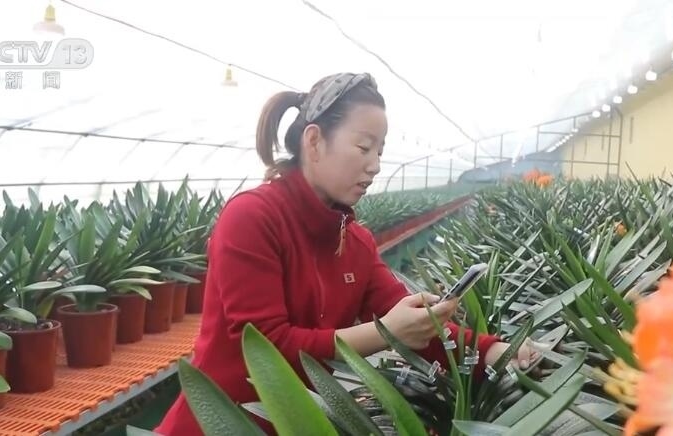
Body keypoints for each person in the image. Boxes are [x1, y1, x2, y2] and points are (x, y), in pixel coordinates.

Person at [155, 72, 537, 435]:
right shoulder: (252, 217)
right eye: (363, 147)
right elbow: (264, 348)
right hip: (219, 424)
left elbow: (411, 319)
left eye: (380, 151)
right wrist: (386, 333)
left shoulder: (354, 241)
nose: (375, 166)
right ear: (314, 142)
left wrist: (497, 350)